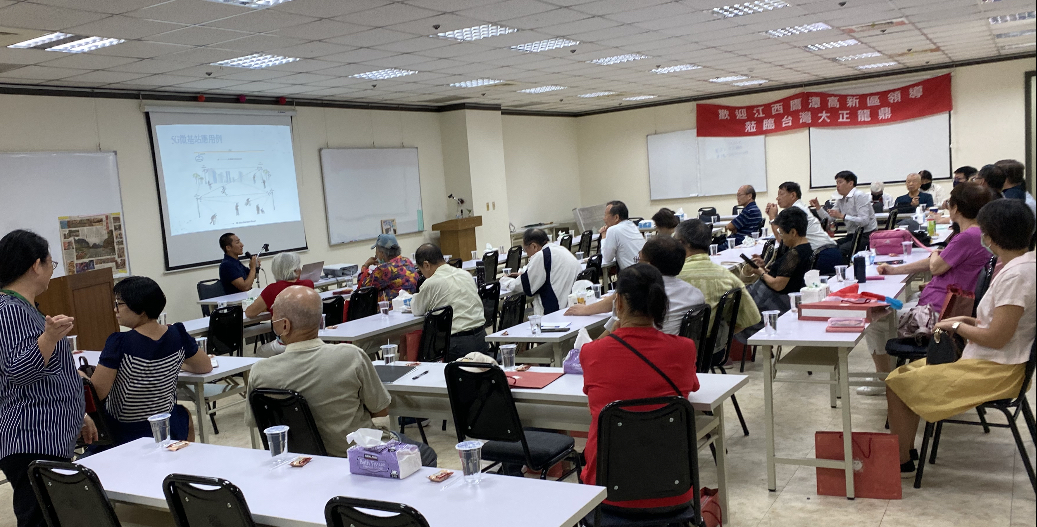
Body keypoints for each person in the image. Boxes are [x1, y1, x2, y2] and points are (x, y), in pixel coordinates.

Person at [885, 199, 1035, 477]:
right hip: (997, 361)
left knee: (896, 384)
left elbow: (997, 337)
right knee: (901, 376)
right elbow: (1004, 324)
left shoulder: (1016, 275)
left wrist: (956, 324)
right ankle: (905, 452)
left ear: (991, 237)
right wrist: (968, 321)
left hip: (997, 370)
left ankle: (901, 462)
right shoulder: (1024, 265)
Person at [244, 286, 437, 466]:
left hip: (302, 462)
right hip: (360, 457)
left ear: (284, 325)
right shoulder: (351, 356)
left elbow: (259, 422)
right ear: (320, 320)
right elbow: (380, 410)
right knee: (427, 455)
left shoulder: (260, 371)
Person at [579, 263, 700, 511]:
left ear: (619, 303)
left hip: (606, 491)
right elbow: (692, 386)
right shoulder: (684, 348)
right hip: (674, 491)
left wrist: (613, 333)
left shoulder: (592, 352)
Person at [860, 182, 998, 395]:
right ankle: (895, 374)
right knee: (903, 300)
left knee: (875, 319)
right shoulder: (977, 234)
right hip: (949, 304)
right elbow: (941, 261)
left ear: (956, 208)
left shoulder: (967, 237)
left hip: (940, 312)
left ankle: (884, 378)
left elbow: (936, 266)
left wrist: (934, 254)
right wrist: (895, 270)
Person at [0, 229, 97, 527]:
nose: (51, 271)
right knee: (40, 519)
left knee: (55, 517)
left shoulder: (24, 307)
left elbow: (50, 373)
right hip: (31, 436)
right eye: (51, 263)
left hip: (48, 434)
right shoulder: (9, 310)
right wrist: (49, 338)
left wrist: (78, 414)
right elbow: (19, 372)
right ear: (36, 265)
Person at [90, 277, 213, 447]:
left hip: (125, 432)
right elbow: (205, 366)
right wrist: (172, 363)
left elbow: (96, 394)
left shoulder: (119, 342)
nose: (115, 309)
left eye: (119, 304)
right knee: (183, 412)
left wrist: (82, 376)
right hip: (167, 426)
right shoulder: (177, 334)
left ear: (140, 309)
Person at [565, 236, 705, 336]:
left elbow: (609, 336)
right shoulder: (696, 295)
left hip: (636, 358)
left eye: (639, 260)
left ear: (648, 266)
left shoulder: (636, 296)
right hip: (677, 359)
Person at [675, 219, 761, 338]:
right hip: (713, 346)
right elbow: (751, 318)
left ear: (680, 243)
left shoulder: (672, 277)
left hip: (676, 345)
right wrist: (719, 339)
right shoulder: (729, 277)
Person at [412, 243, 487, 361]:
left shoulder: (431, 283)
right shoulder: (465, 274)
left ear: (426, 265)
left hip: (457, 344)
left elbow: (417, 309)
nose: (423, 275)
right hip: (482, 338)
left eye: (420, 270)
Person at [743, 207, 814, 323]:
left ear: (793, 232)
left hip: (773, 299)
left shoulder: (794, 254)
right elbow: (787, 275)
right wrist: (764, 268)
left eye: (781, 233)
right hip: (777, 296)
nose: (780, 237)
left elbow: (778, 285)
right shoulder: (809, 247)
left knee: (733, 303)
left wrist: (761, 273)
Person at [245, 252, 315, 357]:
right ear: (296, 269)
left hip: (286, 343)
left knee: (260, 351)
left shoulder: (272, 289)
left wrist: (266, 307)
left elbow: (250, 312)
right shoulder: (308, 284)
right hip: (308, 339)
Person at [505, 228, 581, 315]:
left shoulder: (542, 255)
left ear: (534, 246)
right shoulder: (561, 249)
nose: (527, 254)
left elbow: (525, 286)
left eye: (526, 250)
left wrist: (506, 281)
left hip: (556, 312)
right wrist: (524, 273)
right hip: (572, 305)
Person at [811, 171, 878, 258]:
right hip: (852, 235)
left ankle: (844, 266)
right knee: (829, 247)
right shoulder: (841, 199)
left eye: (840, 182)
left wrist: (843, 216)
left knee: (841, 250)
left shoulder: (859, 196)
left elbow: (864, 221)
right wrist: (818, 207)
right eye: (837, 183)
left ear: (850, 183)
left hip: (866, 236)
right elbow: (830, 219)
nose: (837, 186)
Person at [358, 233, 419, 302]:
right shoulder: (407, 261)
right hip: (412, 303)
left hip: (393, 306)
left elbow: (363, 287)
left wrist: (366, 265)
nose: (376, 254)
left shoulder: (383, 269)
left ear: (382, 253)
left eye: (377, 251)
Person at [599, 200, 645, 270]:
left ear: (616, 217)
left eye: (606, 215)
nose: (604, 218)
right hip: (645, 270)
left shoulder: (613, 229)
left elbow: (607, 258)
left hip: (632, 273)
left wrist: (604, 237)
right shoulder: (632, 225)